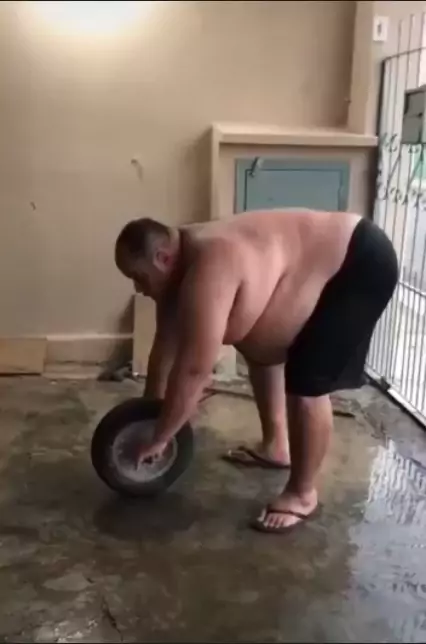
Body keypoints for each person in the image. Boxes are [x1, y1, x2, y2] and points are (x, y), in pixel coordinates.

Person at [114, 209, 398, 534]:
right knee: (259, 341)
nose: (138, 288)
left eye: (139, 277)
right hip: (323, 252)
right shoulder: (176, 265)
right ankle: (276, 446)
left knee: (308, 380)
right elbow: (165, 346)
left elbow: (194, 369)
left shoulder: (210, 265)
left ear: (162, 258)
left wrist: (161, 437)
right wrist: (149, 416)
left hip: (358, 260)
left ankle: (302, 494)